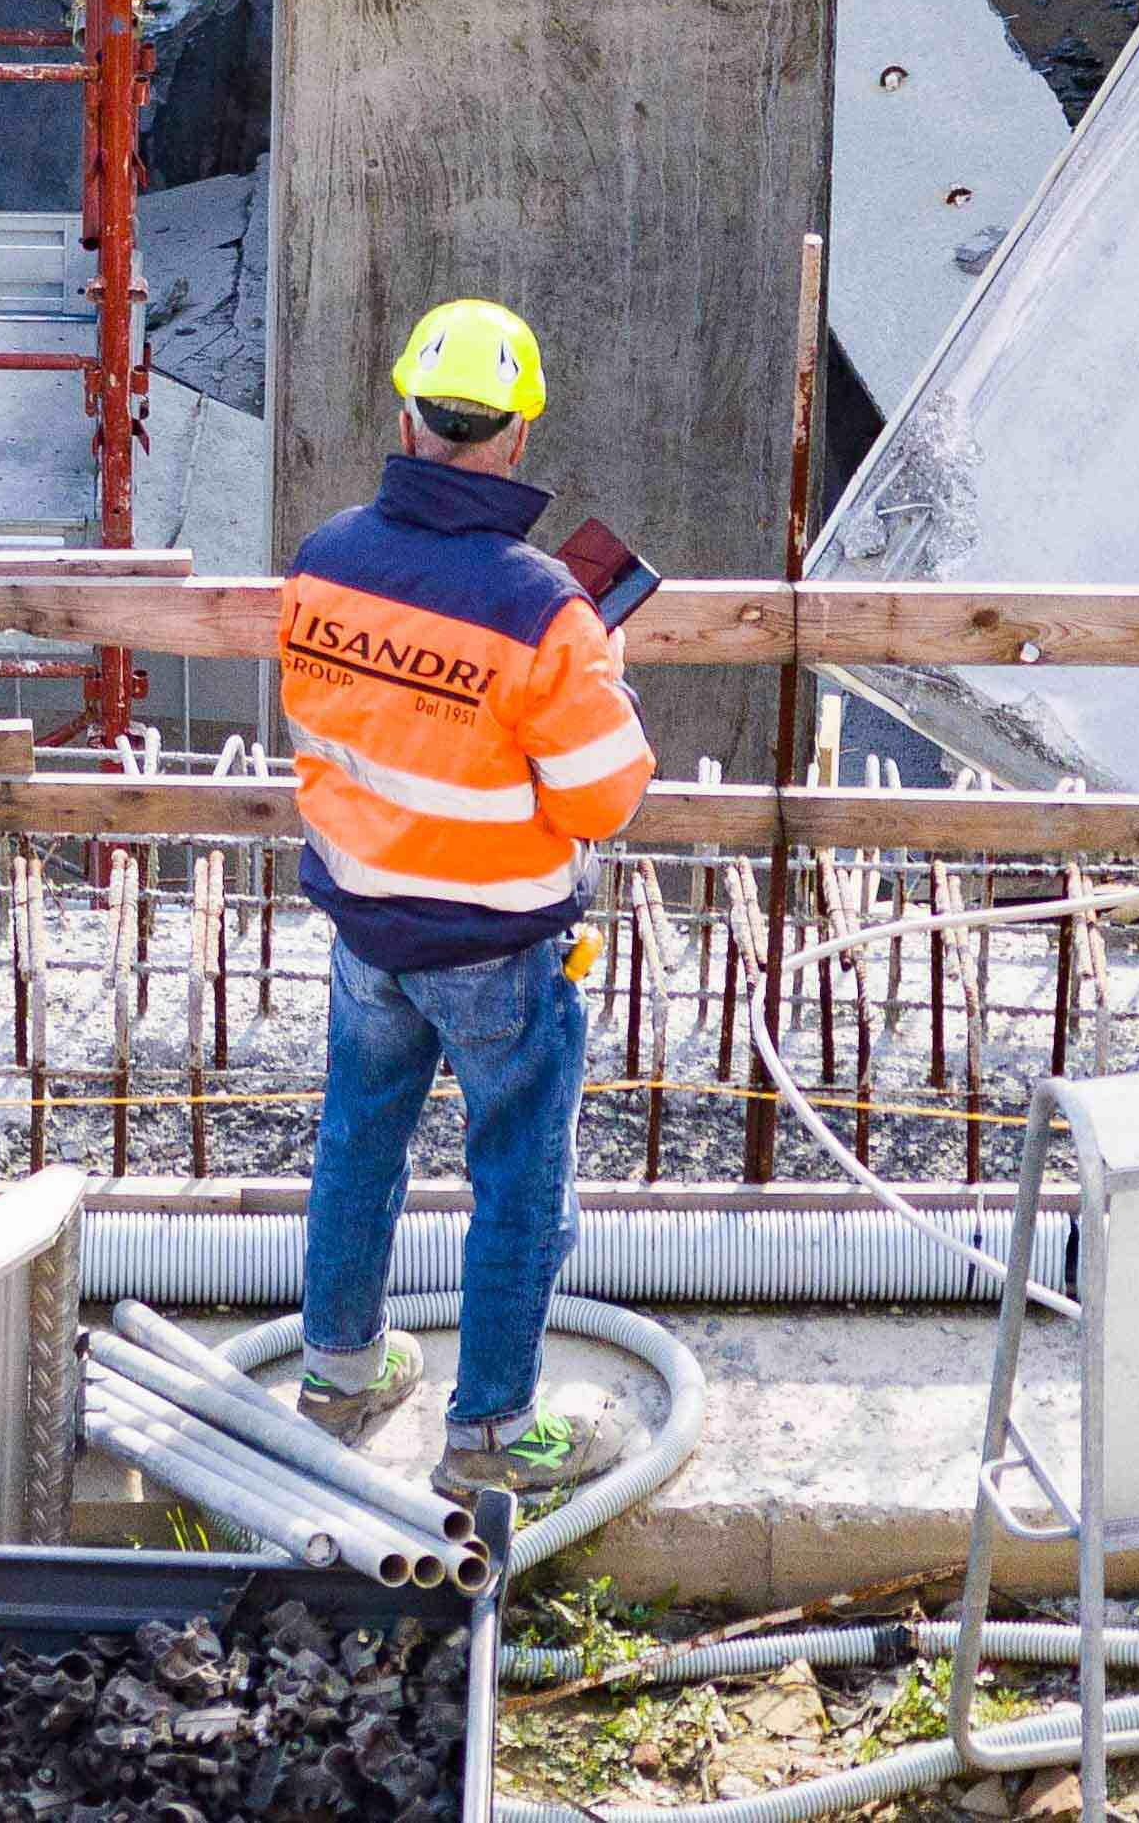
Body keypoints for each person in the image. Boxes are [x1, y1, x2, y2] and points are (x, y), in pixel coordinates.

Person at [276, 298, 655, 1492]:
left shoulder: (327, 556)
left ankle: (339, 1372)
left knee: (358, 1143)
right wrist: (600, 666)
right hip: (494, 939)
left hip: (365, 915)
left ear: (406, 417)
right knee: (520, 1175)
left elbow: (341, 728)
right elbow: (604, 801)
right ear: (518, 438)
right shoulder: (544, 606)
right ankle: (491, 1435)